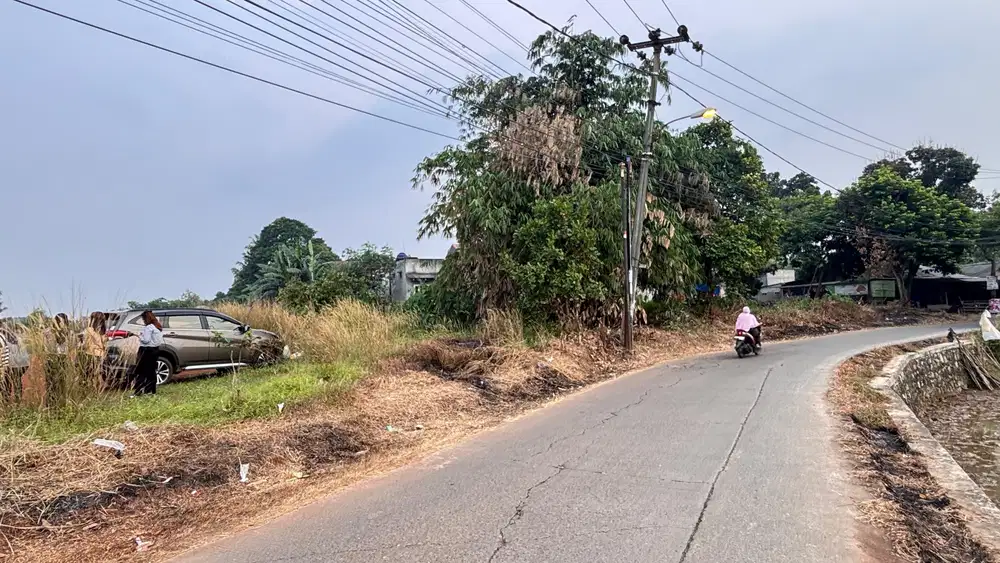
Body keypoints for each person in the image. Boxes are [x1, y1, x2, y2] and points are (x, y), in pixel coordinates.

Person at [133, 310, 163, 396]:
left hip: (146, 350)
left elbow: (146, 340)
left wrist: (140, 336)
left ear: (146, 319)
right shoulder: (157, 327)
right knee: (151, 371)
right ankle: (150, 391)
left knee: (141, 371)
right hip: (155, 350)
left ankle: (138, 391)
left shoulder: (149, 327)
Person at [83, 312, 107, 390]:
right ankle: (100, 389)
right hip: (101, 354)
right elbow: (104, 343)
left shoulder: (89, 330)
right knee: (98, 374)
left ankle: (93, 390)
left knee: (90, 375)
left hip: (90, 353)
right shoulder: (103, 332)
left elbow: (86, 343)